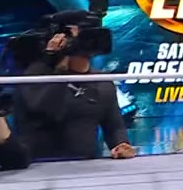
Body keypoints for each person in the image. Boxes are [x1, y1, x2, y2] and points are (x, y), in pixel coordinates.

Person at [14, 28, 136, 160]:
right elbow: (44, 111)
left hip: (88, 165)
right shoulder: (36, 76)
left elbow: (114, 125)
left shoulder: (102, 82)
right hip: (41, 164)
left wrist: (121, 144)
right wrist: (57, 66)